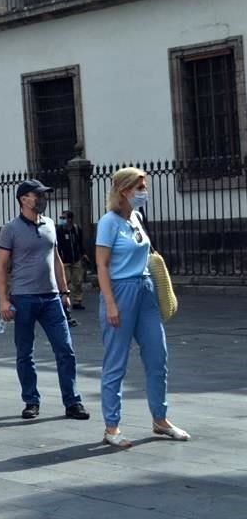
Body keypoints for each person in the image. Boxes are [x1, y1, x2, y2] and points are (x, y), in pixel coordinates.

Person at [95, 167, 189, 447]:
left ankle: (160, 419)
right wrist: (110, 303)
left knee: (158, 357)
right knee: (116, 363)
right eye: (140, 187)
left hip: (145, 288)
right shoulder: (108, 222)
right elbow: (101, 264)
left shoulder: (135, 217)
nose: (144, 191)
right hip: (121, 291)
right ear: (124, 191)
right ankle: (112, 427)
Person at [0, 179, 90, 421]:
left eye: (43, 194)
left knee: (65, 350)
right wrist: (4, 301)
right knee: (25, 353)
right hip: (23, 298)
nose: (43, 199)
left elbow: (56, 258)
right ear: (23, 199)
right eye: (38, 195)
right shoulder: (11, 229)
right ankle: (31, 401)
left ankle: (72, 402)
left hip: (51, 298)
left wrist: (65, 291)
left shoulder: (49, 224)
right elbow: (1, 266)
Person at [57, 209, 87, 315]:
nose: (62, 220)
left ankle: (77, 301)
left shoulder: (77, 229)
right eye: (62, 218)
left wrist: (83, 254)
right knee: (66, 281)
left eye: (64, 218)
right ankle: (65, 301)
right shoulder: (59, 230)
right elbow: (57, 245)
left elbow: (80, 242)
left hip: (76, 259)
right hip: (64, 260)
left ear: (70, 219)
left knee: (78, 280)